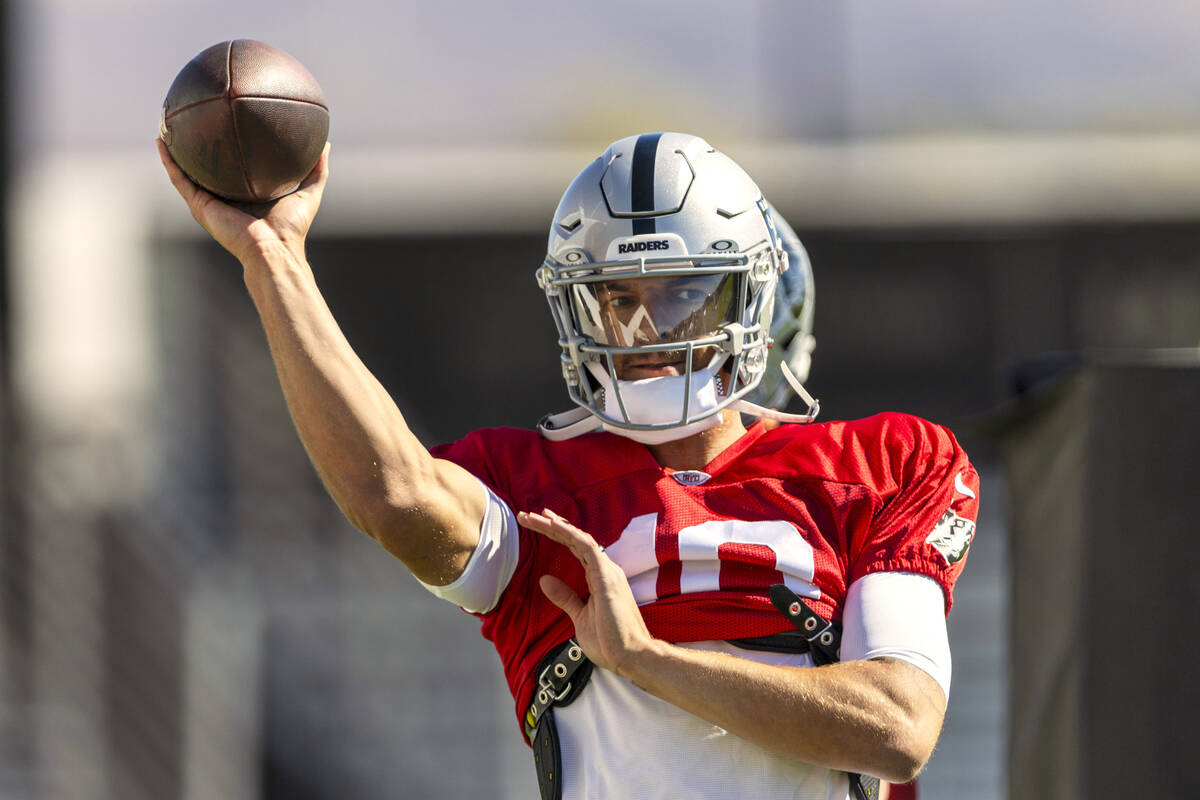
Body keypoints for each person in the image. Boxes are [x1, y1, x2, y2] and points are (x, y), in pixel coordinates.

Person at [158, 131, 977, 800]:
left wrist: (646, 659)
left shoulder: (886, 462)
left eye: (683, 292)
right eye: (617, 298)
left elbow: (898, 729)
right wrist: (274, 263)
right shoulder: (532, 483)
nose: (645, 330)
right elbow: (393, 492)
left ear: (744, 296)